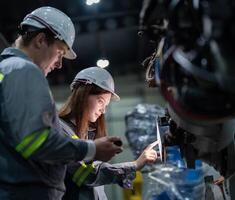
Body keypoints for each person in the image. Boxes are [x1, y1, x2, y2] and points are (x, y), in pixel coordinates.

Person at [0, 7, 122, 200]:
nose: (59, 64)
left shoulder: (7, 70)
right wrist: (92, 149)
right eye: (60, 53)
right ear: (40, 40)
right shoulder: (24, 70)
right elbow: (35, 141)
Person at [59, 66, 158, 200]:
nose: (103, 111)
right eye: (101, 101)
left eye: (106, 105)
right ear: (82, 94)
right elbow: (85, 174)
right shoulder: (60, 130)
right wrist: (135, 165)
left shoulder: (88, 136)